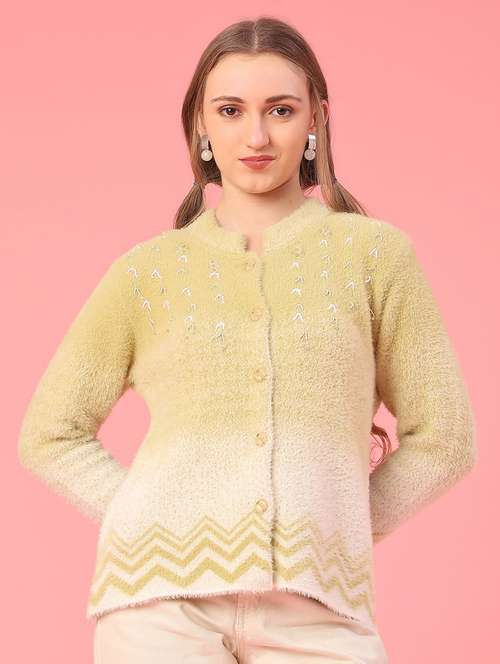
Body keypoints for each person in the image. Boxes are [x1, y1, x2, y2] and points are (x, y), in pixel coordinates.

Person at [18, 15, 477, 664]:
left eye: (280, 110)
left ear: (316, 118)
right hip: (159, 604)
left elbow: (447, 438)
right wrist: (153, 515)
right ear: (201, 124)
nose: (256, 136)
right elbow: (49, 433)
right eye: (230, 111)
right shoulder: (146, 273)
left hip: (319, 611)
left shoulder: (376, 257)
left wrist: (331, 525)